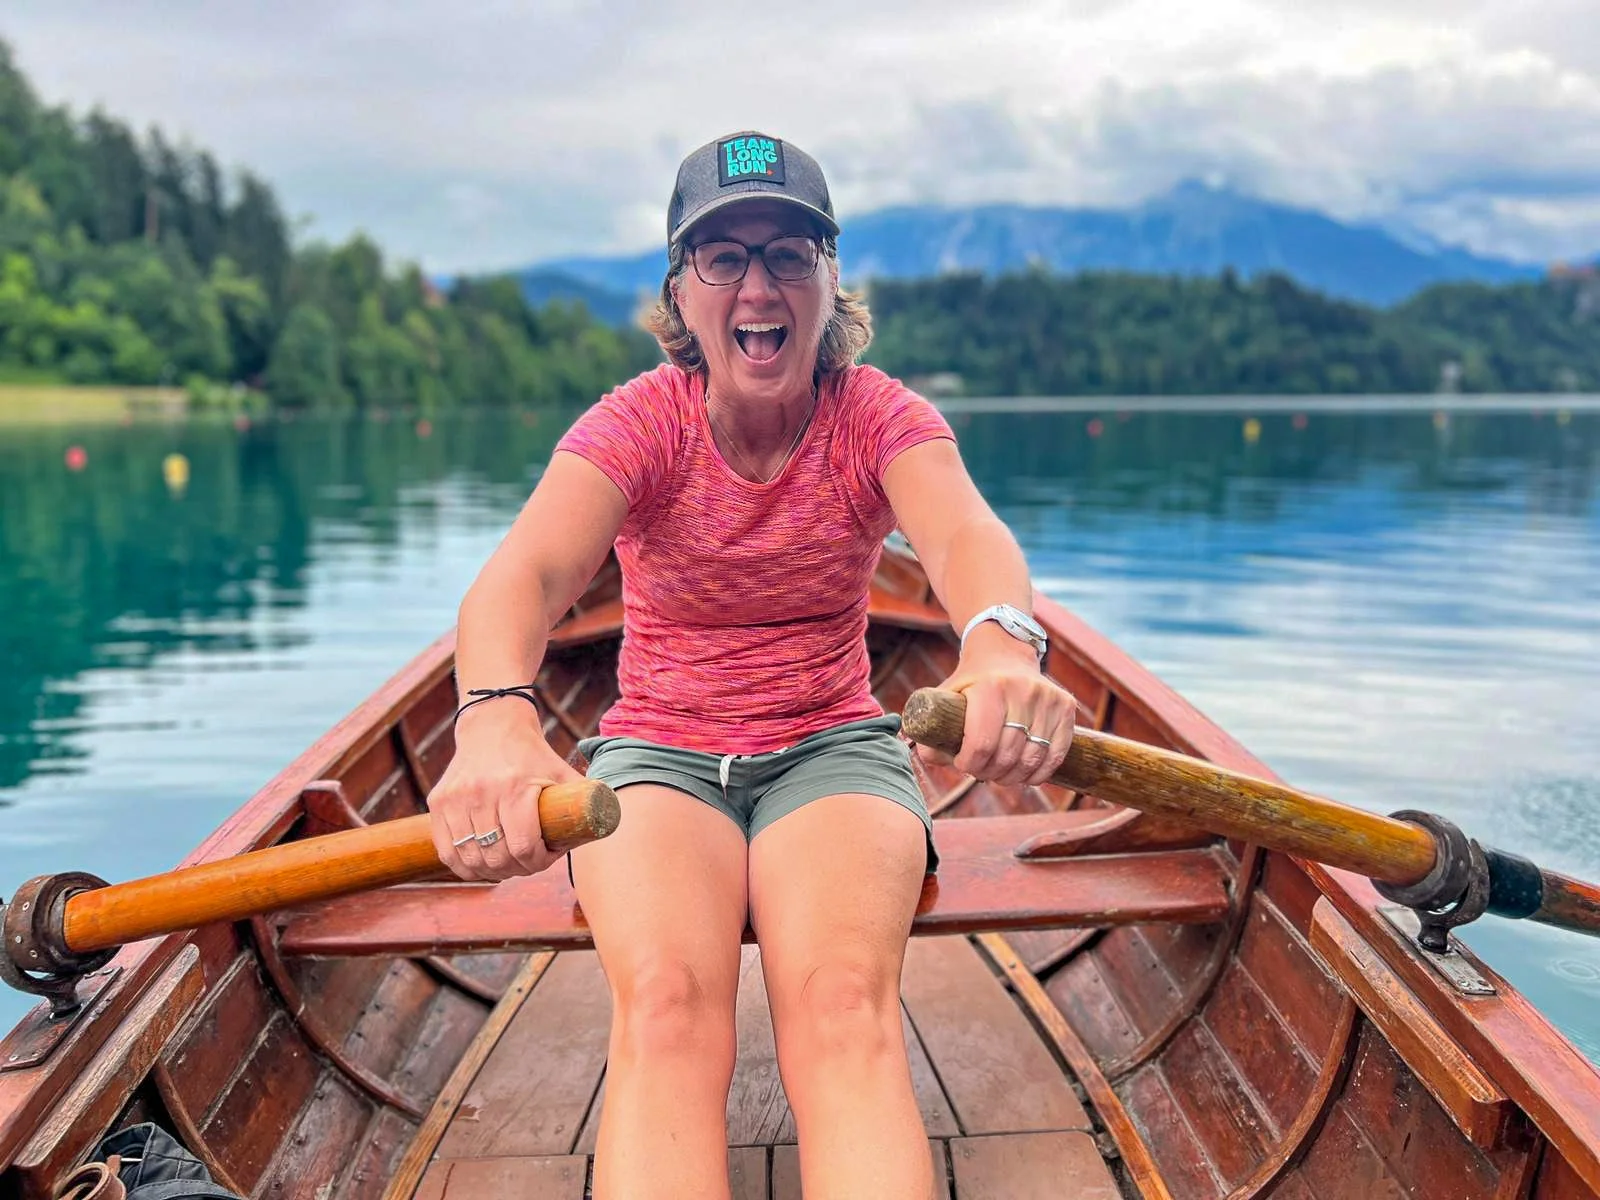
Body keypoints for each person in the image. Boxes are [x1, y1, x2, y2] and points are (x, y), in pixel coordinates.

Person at [426, 131, 1078, 1200]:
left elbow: (962, 539)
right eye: (722, 259)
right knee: (670, 1009)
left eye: (787, 252)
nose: (757, 284)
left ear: (830, 282)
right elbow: (528, 575)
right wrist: (495, 716)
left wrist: (1001, 646)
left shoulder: (876, 415)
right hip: (657, 757)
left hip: (832, 749)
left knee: (837, 1006)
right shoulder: (639, 422)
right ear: (681, 295)